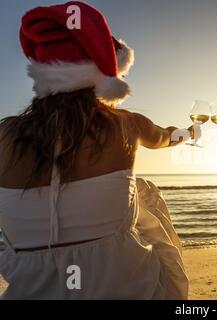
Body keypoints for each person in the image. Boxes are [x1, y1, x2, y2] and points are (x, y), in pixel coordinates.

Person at [0, 1, 191, 299]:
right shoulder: (127, 124)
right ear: (106, 76)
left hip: (31, 290)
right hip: (125, 290)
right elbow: (166, 138)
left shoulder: (4, 134)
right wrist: (188, 134)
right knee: (144, 191)